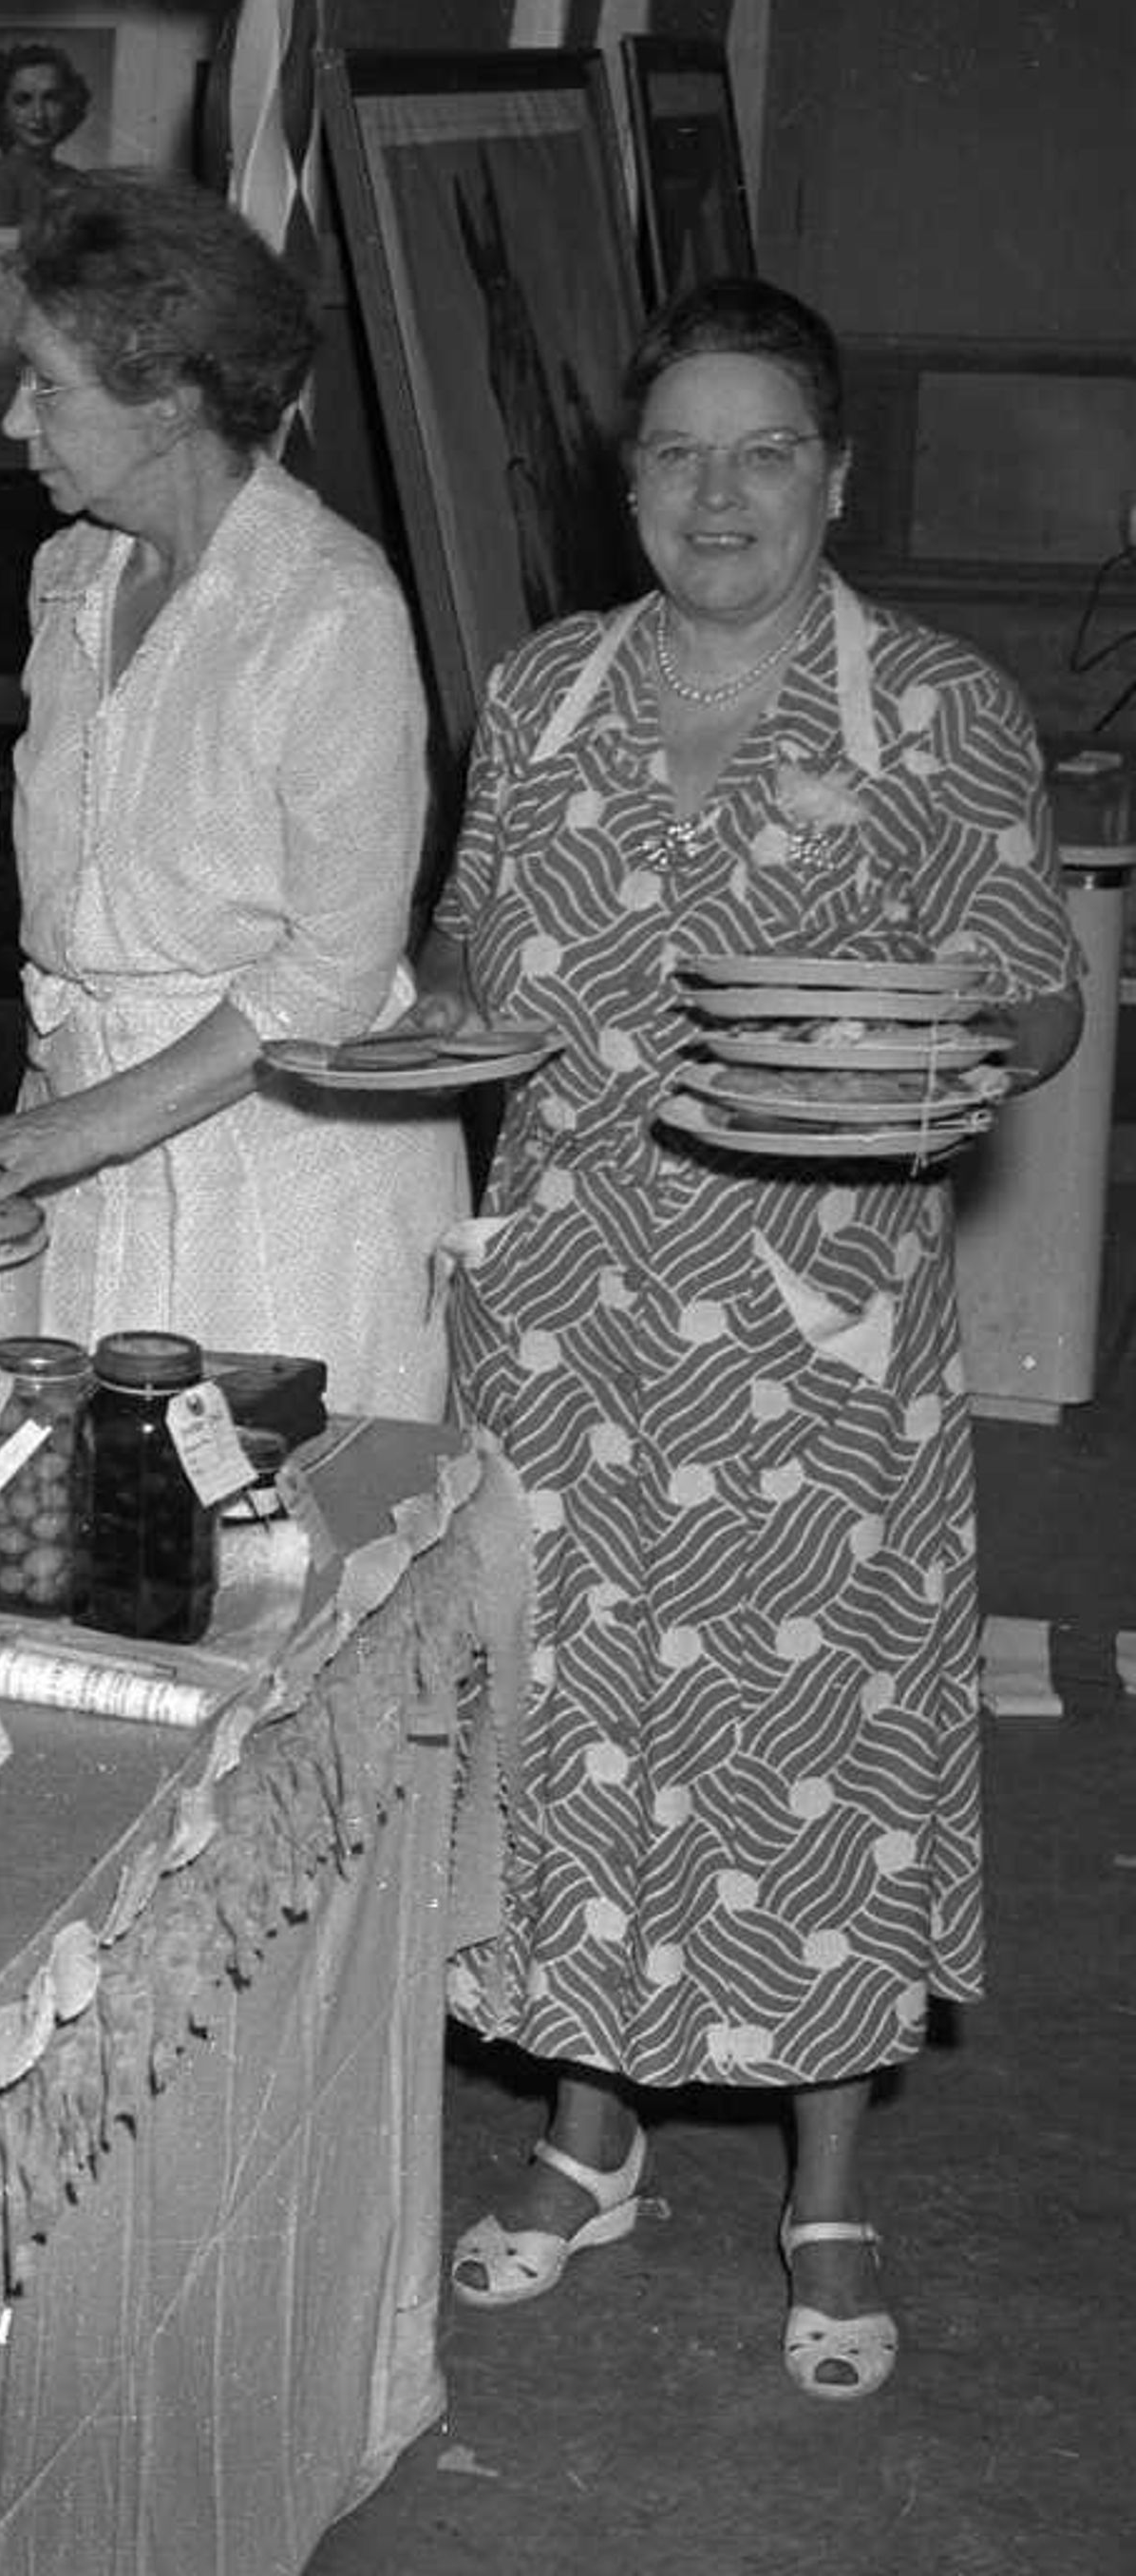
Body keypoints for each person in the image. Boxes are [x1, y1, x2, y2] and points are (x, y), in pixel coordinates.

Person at [405, 277, 1080, 2403]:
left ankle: (830, 2179)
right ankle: (589, 2132)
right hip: (568, 1301)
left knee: (821, 1754)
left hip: (809, 1318)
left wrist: (958, 1031)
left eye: (762, 447)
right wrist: (385, 1039)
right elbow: (465, 962)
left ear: (834, 474)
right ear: (627, 479)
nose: (717, 490)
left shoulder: (937, 707)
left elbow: (1044, 989)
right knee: (572, 1712)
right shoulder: (538, 693)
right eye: (676, 450)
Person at [0, 175, 462, 1416]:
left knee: (269, 1557)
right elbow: (73, 933)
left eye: (49, 386)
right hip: (90, 1152)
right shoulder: (69, 574)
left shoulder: (329, 608)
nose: (16, 418)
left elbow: (330, 975)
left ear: (170, 401)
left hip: (287, 1185)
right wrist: (30, 1137)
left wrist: (82, 1128)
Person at [0, 41, 91, 229]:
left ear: (69, 104)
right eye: (23, 100)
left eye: (51, 98)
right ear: (2, 110)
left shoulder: (78, 181)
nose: (38, 114)